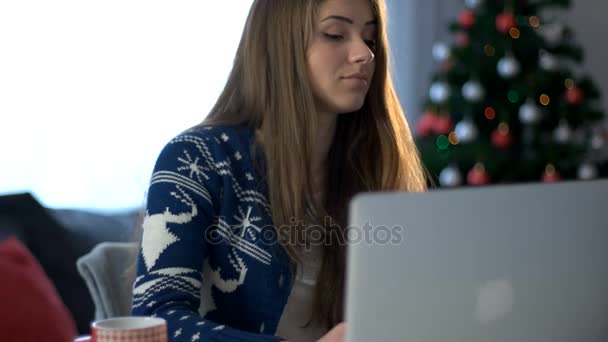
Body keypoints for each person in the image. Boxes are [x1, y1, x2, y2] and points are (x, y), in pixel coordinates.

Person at [131, 0, 426, 341]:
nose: (364, 54)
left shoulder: (373, 166)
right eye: (335, 34)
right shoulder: (195, 159)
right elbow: (157, 320)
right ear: (280, 45)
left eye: (370, 39)